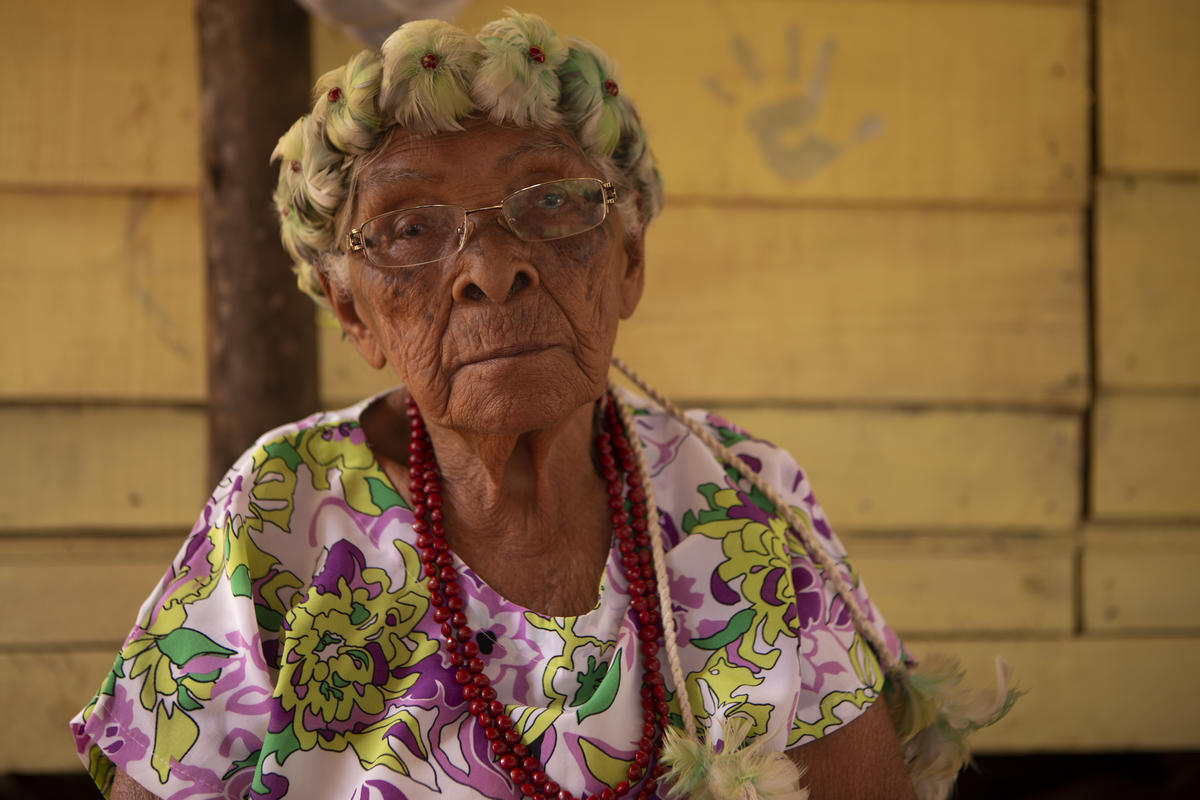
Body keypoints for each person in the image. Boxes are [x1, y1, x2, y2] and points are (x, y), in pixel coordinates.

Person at [72, 12, 1013, 800]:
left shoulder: (738, 498)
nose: (490, 266)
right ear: (355, 312)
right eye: (410, 228)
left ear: (629, 262)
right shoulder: (280, 512)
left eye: (552, 202)